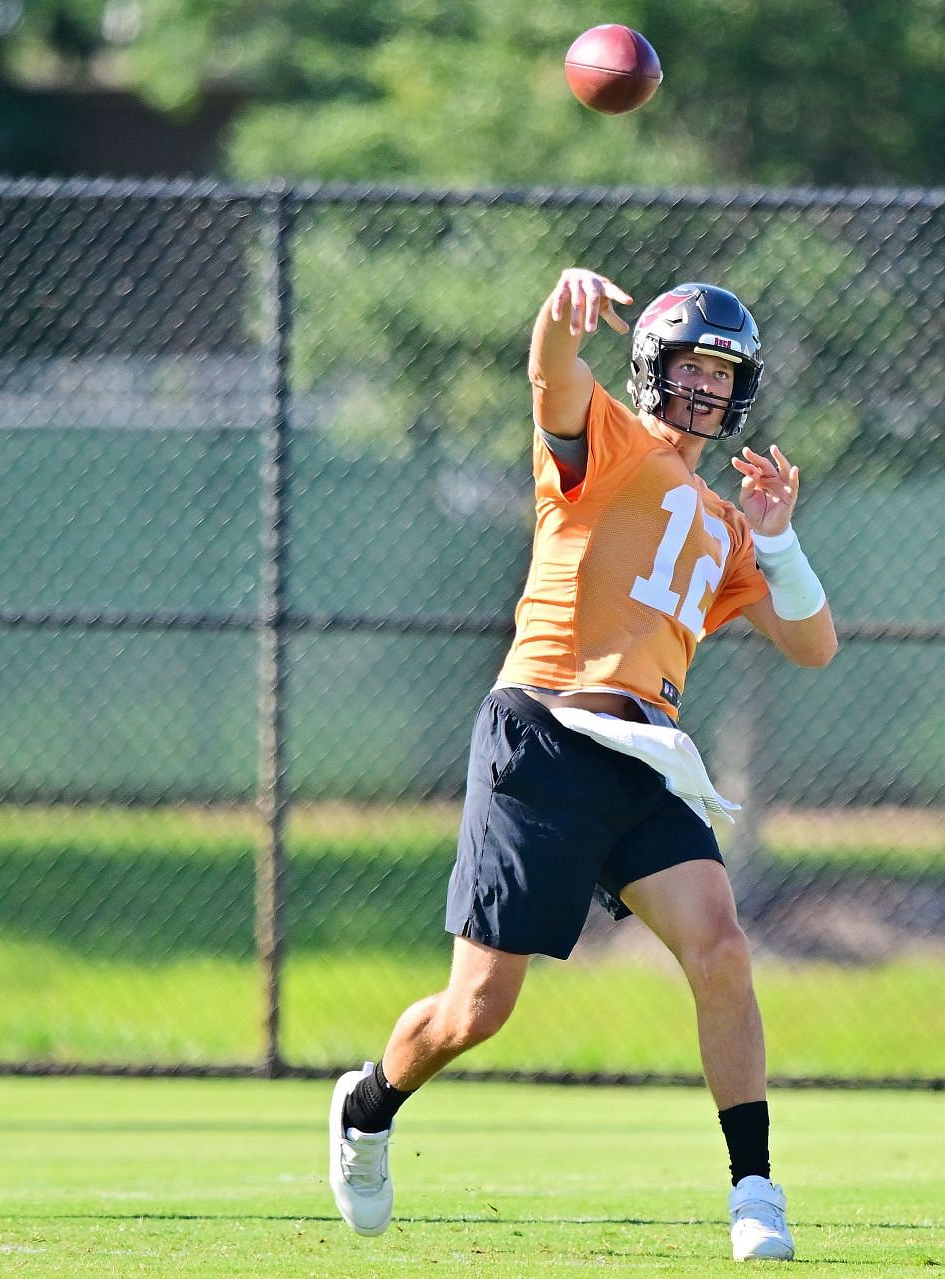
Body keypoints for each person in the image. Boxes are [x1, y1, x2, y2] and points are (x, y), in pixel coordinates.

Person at [325, 266, 838, 1263]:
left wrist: (779, 545)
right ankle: (369, 1101)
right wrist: (556, 320)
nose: (704, 389)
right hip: (545, 734)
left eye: (721, 374)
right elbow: (552, 379)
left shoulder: (730, 527)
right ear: (652, 371)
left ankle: (755, 1188)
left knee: (723, 949)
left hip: (645, 754)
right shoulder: (606, 438)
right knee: (481, 1006)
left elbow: (813, 645)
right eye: (688, 367)